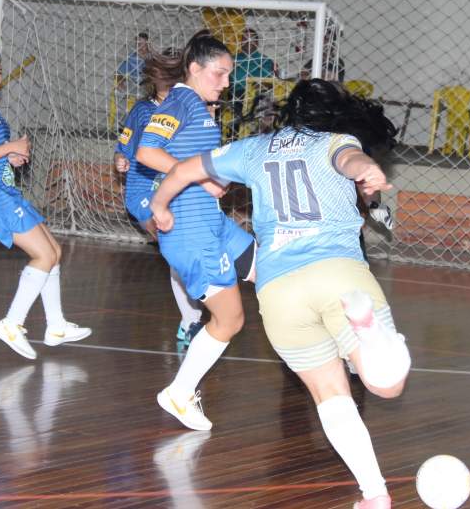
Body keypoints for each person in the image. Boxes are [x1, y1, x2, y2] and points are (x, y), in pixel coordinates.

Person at [149, 79, 410, 509]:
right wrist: (364, 167)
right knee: (387, 384)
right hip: (337, 272)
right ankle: (371, 336)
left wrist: (160, 207)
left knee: (330, 394)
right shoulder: (335, 141)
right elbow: (347, 158)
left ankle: (374, 494)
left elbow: (182, 171)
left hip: (278, 290)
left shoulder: (253, 149)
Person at [136, 31, 256, 431]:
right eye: (219, 74)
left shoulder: (200, 106)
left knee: (274, 267)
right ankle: (179, 392)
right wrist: (198, 179)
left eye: (228, 75)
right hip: (190, 231)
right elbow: (146, 151)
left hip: (213, 222)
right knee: (230, 320)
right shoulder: (180, 101)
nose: (226, 83)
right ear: (194, 69)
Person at [0, 46, 91, 360]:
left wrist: (11, 156)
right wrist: (9, 147)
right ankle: (11, 323)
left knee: (54, 252)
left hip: (5, 191)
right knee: (42, 255)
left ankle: (56, 326)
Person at [113, 48, 203, 342]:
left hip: (178, 191)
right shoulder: (142, 110)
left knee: (183, 253)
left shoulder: (190, 107)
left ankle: (192, 317)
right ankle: (192, 320)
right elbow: (124, 146)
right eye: (162, 72)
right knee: (175, 248)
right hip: (143, 191)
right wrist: (120, 161)